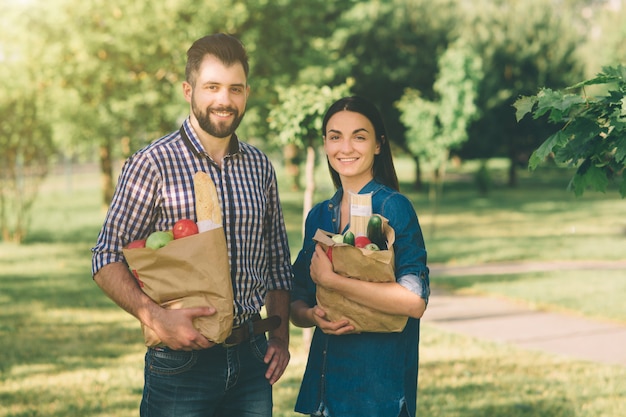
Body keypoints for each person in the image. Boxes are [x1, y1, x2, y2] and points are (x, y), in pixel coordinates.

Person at [91, 33, 293, 417]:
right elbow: (104, 257)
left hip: (253, 362)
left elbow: (277, 262)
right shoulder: (152, 164)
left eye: (235, 89)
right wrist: (157, 318)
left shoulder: (260, 166)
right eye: (212, 87)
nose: (224, 100)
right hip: (181, 362)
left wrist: (280, 337)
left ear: (247, 93)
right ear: (189, 90)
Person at [290, 96, 430, 417]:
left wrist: (332, 281)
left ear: (378, 145)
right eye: (335, 136)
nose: (346, 147)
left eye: (359, 136)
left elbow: (414, 302)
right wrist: (313, 316)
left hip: (377, 396)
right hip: (324, 395)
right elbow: (298, 301)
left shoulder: (393, 208)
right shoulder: (319, 216)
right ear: (325, 144)